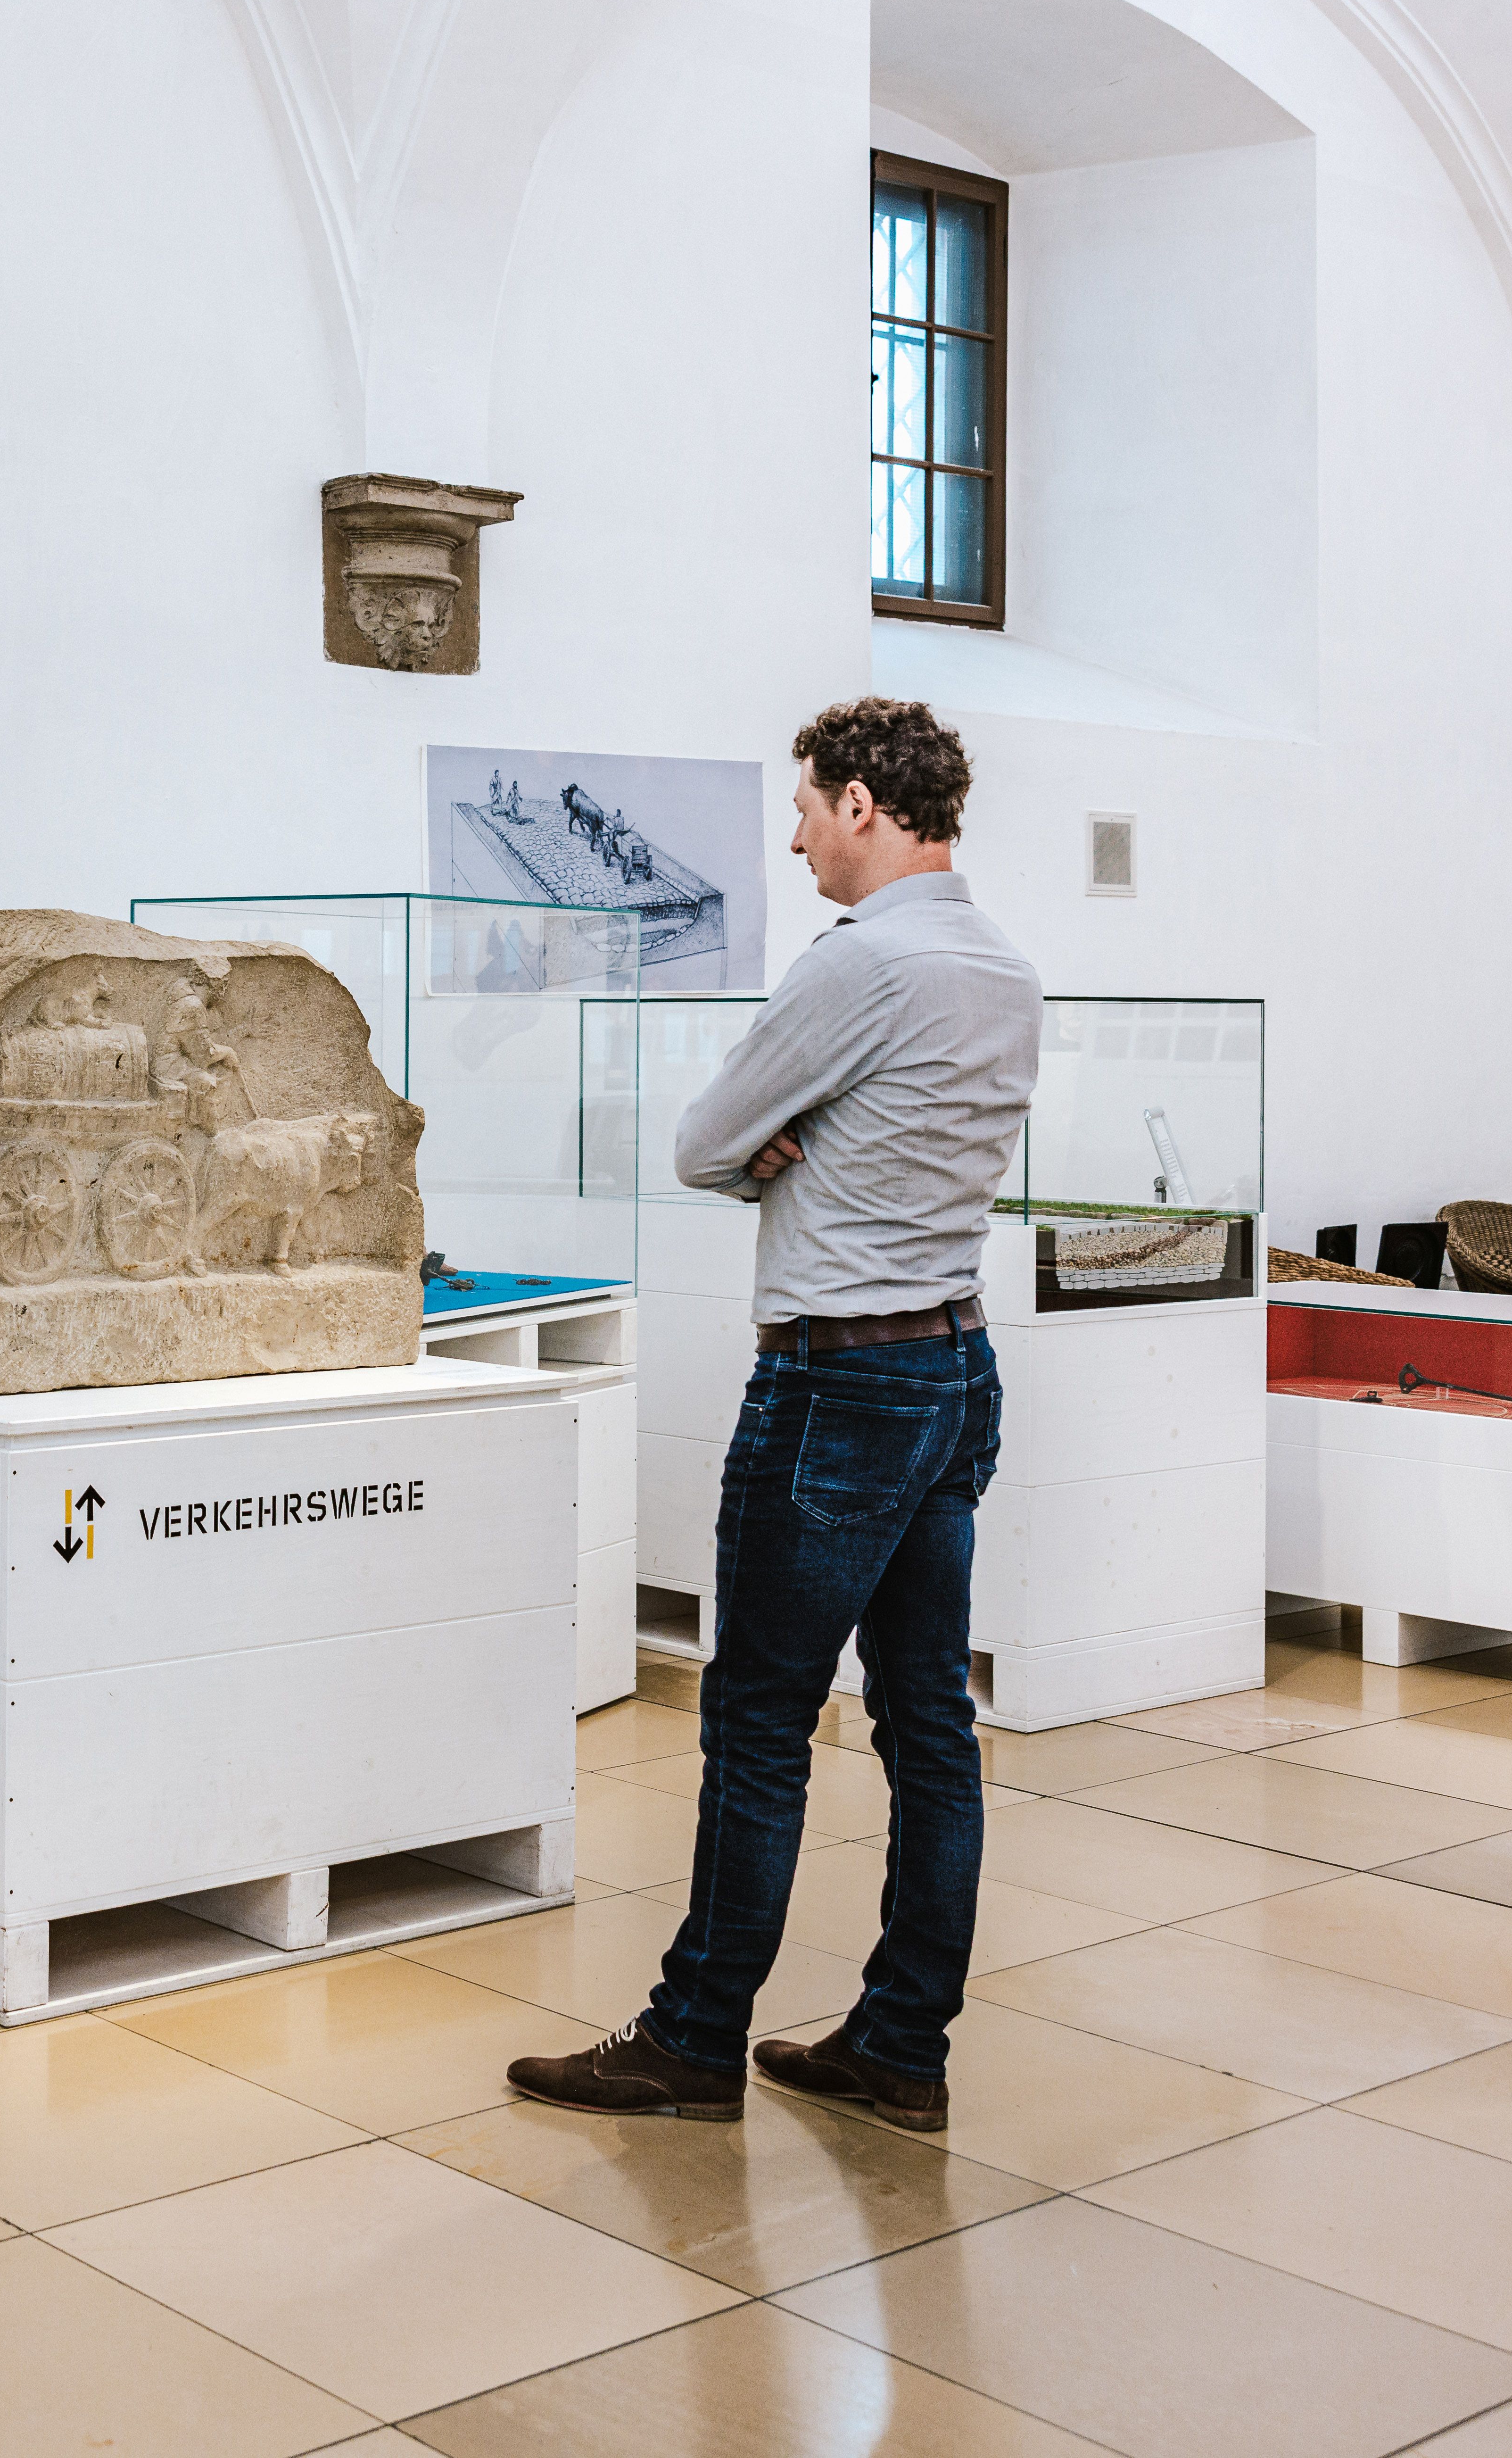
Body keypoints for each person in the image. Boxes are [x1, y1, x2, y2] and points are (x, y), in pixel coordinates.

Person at [507, 696, 1040, 2131]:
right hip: (951, 1364)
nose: (797, 837)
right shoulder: (1000, 962)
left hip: (840, 1378)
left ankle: (692, 2040)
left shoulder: (861, 966)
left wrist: (769, 1156)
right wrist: (788, 1147)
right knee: (930, 1721)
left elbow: (699, 1142)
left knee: (757, 1717)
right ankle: (901, 2047)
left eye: (806, 808)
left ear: (864, 804)